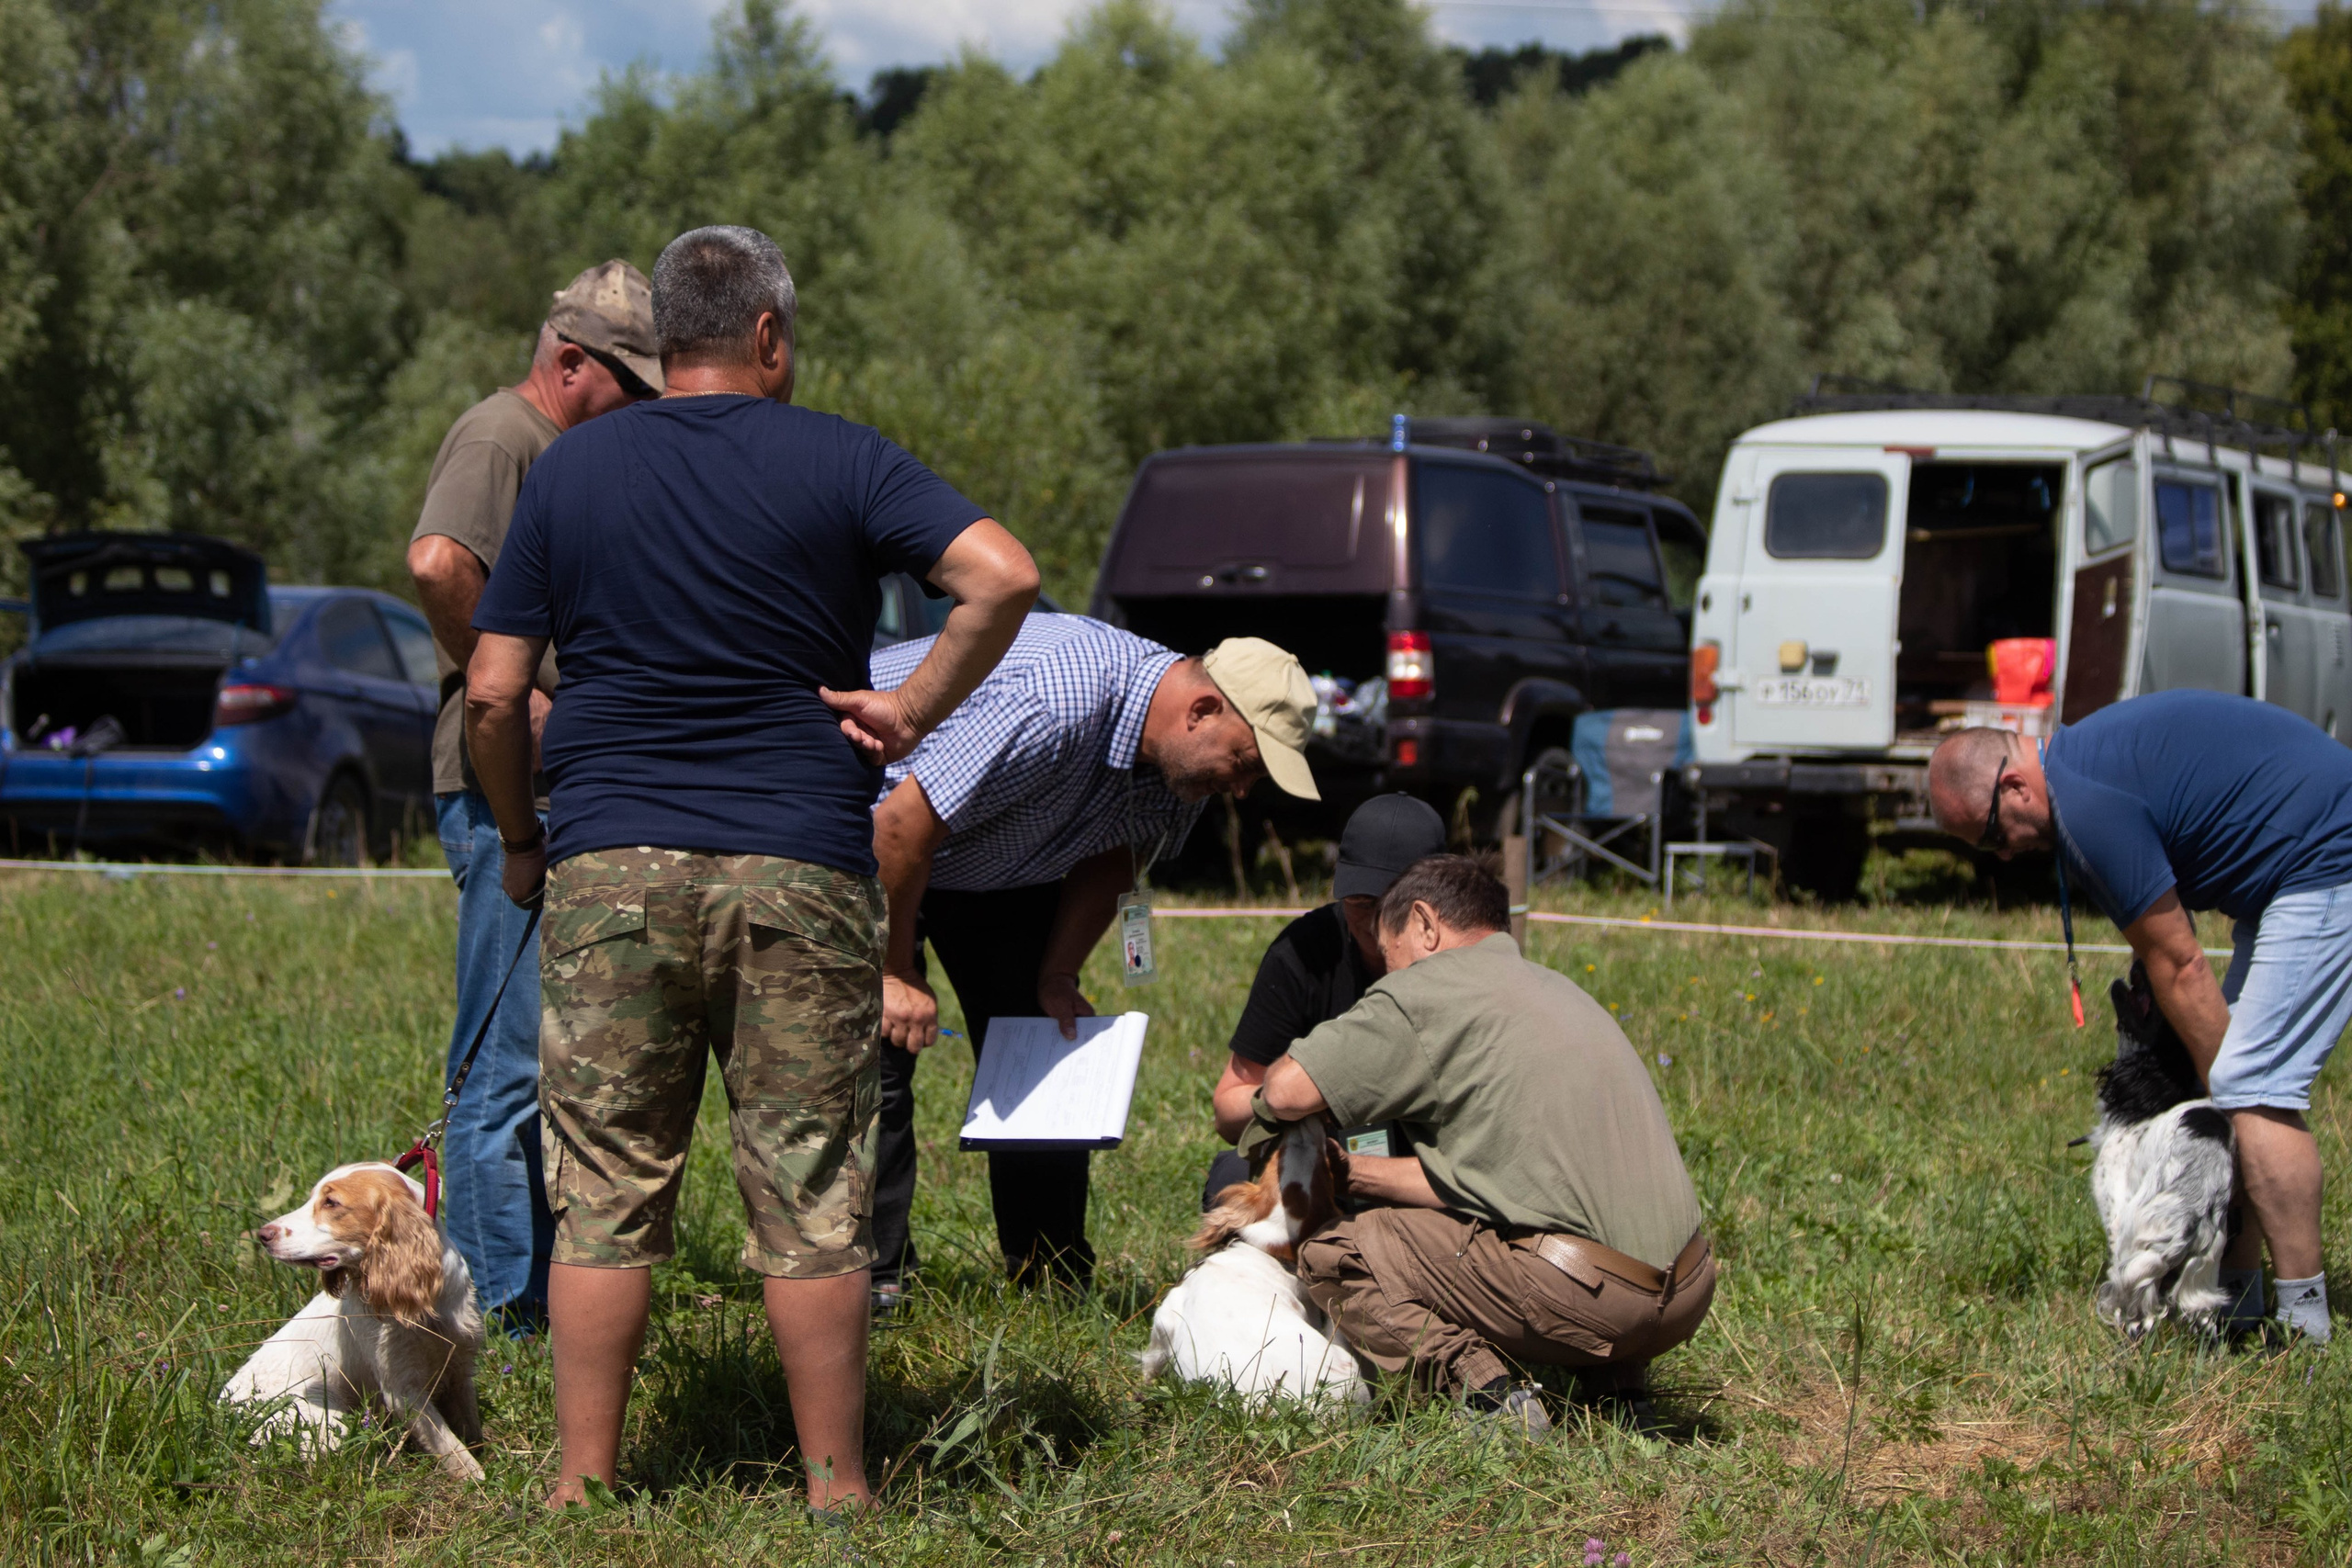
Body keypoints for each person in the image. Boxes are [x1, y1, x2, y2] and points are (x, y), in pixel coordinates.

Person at [463, 223, 1040, 1511]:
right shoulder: (843, 455)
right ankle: (838, 1487)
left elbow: (495, 692)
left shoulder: (573, 469)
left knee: (606, 1185)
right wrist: (915, 709)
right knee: (811, 1183)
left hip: (612, 860)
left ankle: (582, 1485)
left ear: (668, 338)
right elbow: (1001, 575)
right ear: (769, 335)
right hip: (804, 862)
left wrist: (518, 838)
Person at [868, 625, 1320, 1298]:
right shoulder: (1060, 700)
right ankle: (871, 1279)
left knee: (1045, 1051)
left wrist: (1058, 973)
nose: (1243, 790)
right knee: (875, 1060)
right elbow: (901, 827)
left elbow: (1118, 854)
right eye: (1246, 763)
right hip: (874, 844)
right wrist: (895, 971)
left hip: (990, 862)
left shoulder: (1178, 770)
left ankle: (1048, 1273)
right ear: (1201, 712)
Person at [1928, 690, 2352, 1345]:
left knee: (2253, 1087)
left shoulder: (2087, 806)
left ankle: (2306, 1332)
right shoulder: (2079, 776)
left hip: (2329, 854)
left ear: (2013, 786)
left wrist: (2218, 1094)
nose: (2004, 855)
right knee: (2235, 1088)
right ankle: (2237, 1309)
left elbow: (2181, 963)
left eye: (1991, 836)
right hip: (2290, 871)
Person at [405, 260, 660, 1328]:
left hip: (550, 794)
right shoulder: (503, 436)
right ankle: (496, 1313)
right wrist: (508, 685)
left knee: (550, 1070)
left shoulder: (566, 451)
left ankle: (536, 1300)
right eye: (628, 385)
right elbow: (434, 564)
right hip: (498, 790)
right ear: (569, 362)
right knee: (502, 1073)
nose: (644, 407)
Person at [1255, 854, 1713, 1433]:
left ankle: (1491, 1396)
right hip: (1687, 1290)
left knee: (1332, 1255)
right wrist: (1358, 1174)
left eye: (1390, 958)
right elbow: (1499, 1179)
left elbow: (1285, 1092)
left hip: (1593, 1299)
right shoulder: (1557, 990)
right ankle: (1620, 1396)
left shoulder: (1426, 994)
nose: (1388, 978)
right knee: (1580, 1223)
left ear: (1424, 924)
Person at [1201, 792, 1449, 1207]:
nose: (1376, 923)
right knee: (1229, 1178)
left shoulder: (1466, 960)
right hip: (1325, 1163)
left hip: (1432, 1170)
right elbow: (1229, 1108)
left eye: (1395, 906)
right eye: (1361, 902)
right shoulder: (1302, 953)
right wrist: (1306, 1096)